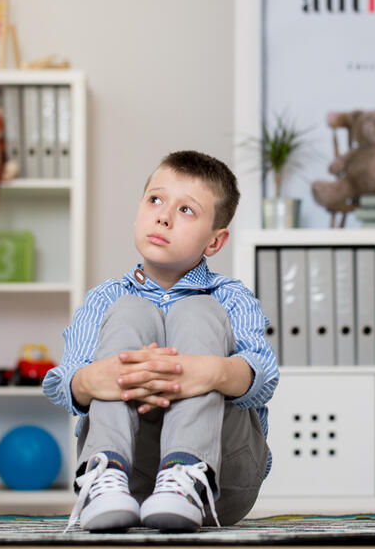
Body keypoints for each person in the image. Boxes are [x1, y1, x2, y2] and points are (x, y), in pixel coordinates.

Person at [43, 151, 279, 533]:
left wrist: (213, 372)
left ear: (215, 241)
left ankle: (186, 472)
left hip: (222, 481)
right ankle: (106, 474)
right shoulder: (106, 299)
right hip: (132, 477)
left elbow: (265, 376)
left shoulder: (231, 297)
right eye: (155, 200)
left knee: (197, 310)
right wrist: (91, 380)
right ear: (139, 211)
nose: (163, 216)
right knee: (130, 310)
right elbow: (66, 381)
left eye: (187, 210)